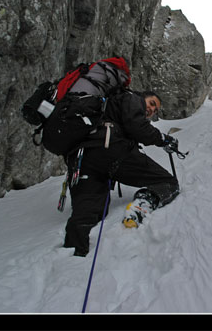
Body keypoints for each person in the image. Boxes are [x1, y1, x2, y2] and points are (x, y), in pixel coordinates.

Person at [62, 59, 180, 257]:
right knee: (168, 182)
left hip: (83, 159)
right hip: (112, 151)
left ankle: (72, 255)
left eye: (155, 110)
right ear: (144, 96)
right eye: (152, 103)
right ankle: (141, 204)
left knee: (88, 212)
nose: (151, 110)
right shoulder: (132, 98)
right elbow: (138, 127)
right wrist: (163, 139)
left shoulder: (112, 104)